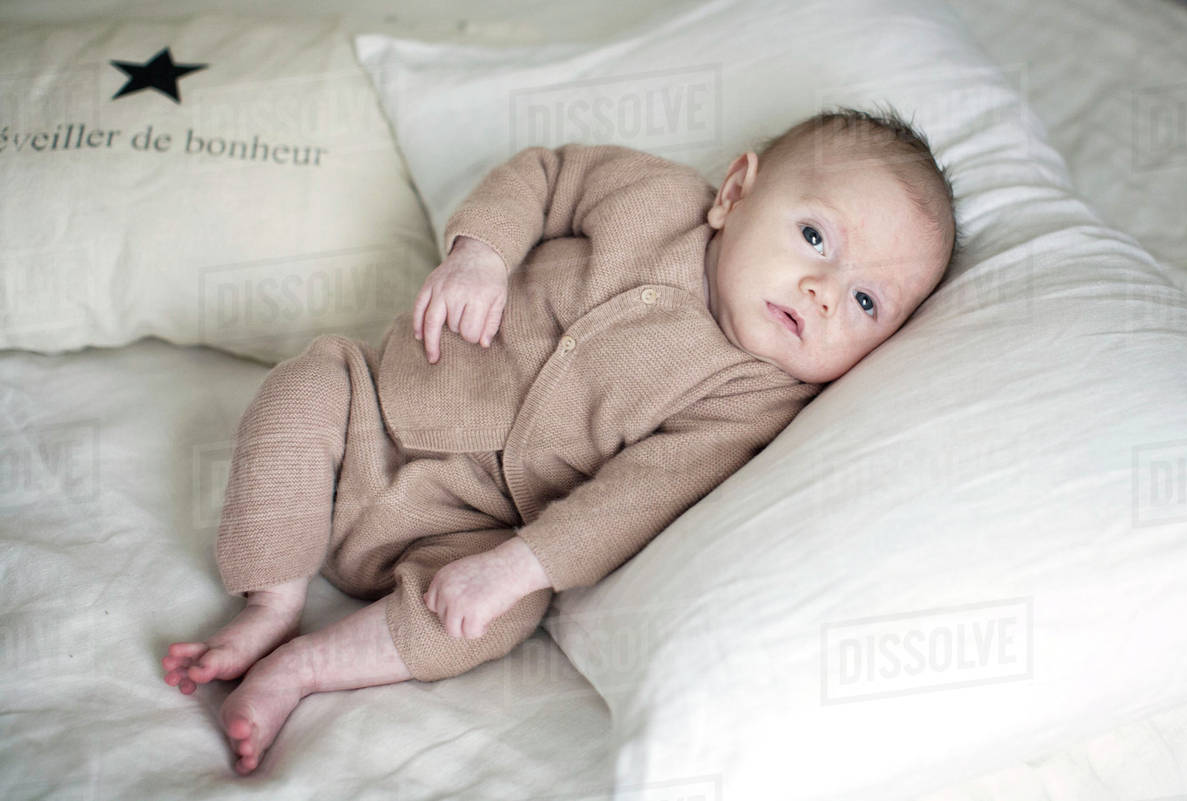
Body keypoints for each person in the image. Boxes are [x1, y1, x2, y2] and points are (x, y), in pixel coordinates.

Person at [162, 106, 959, 775]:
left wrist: (513, 568)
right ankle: (273, 598)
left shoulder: (754, 399)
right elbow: (544, 176)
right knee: (305, 381)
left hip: (468, 532)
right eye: (816, 237)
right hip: (377, 407)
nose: (823, 292)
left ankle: (303, 668)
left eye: (865, 300)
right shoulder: (652, 196)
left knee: (501, 617)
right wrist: (482, 256)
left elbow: (636, 498)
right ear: (735, 193)